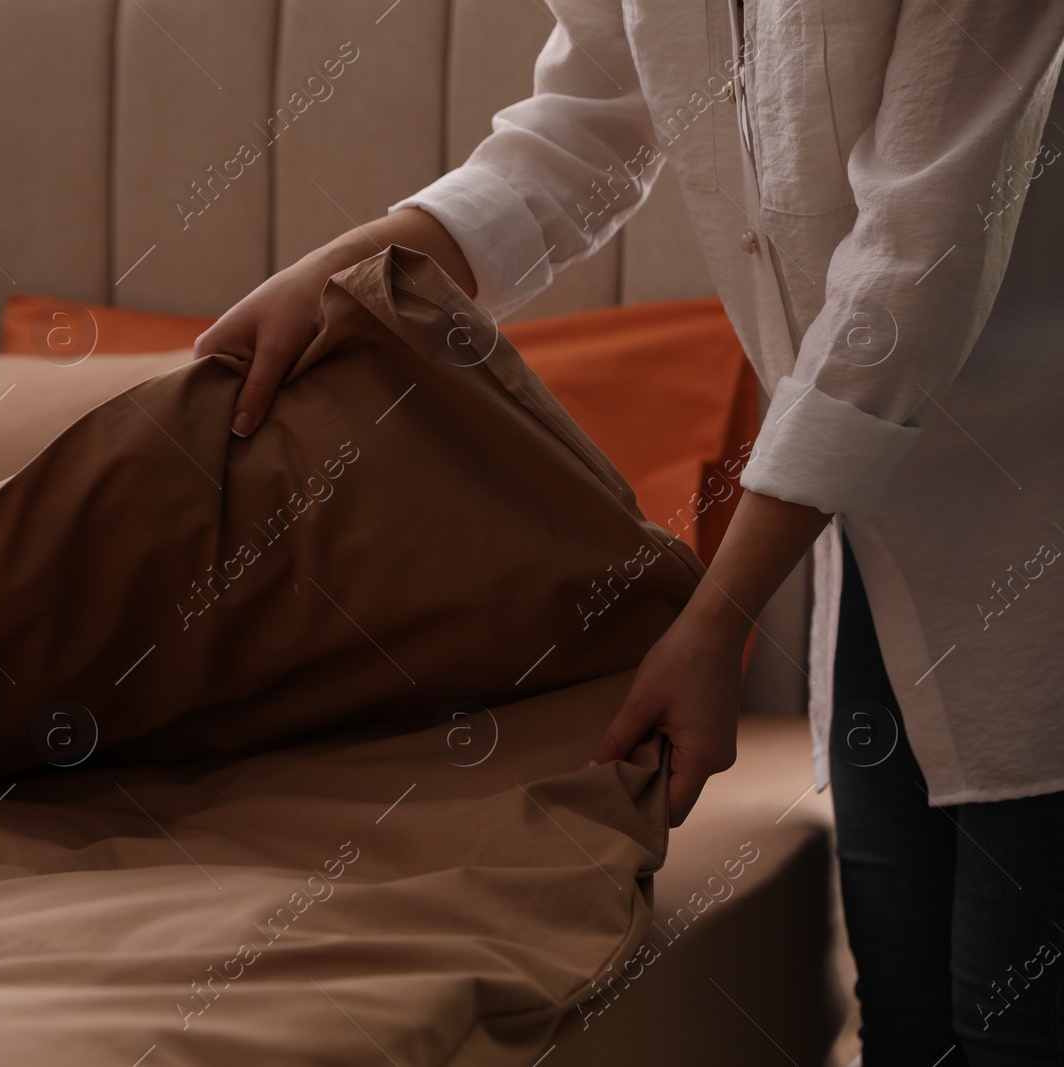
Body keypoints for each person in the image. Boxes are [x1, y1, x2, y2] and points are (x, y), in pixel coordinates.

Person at [195, 5, 1064, 1063]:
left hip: (1034, 513)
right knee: (906, 1025)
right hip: (878, 538)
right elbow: (586, 131)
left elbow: (912, 264)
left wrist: (717, 616)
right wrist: (350, 270)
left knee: (1014, 1028)